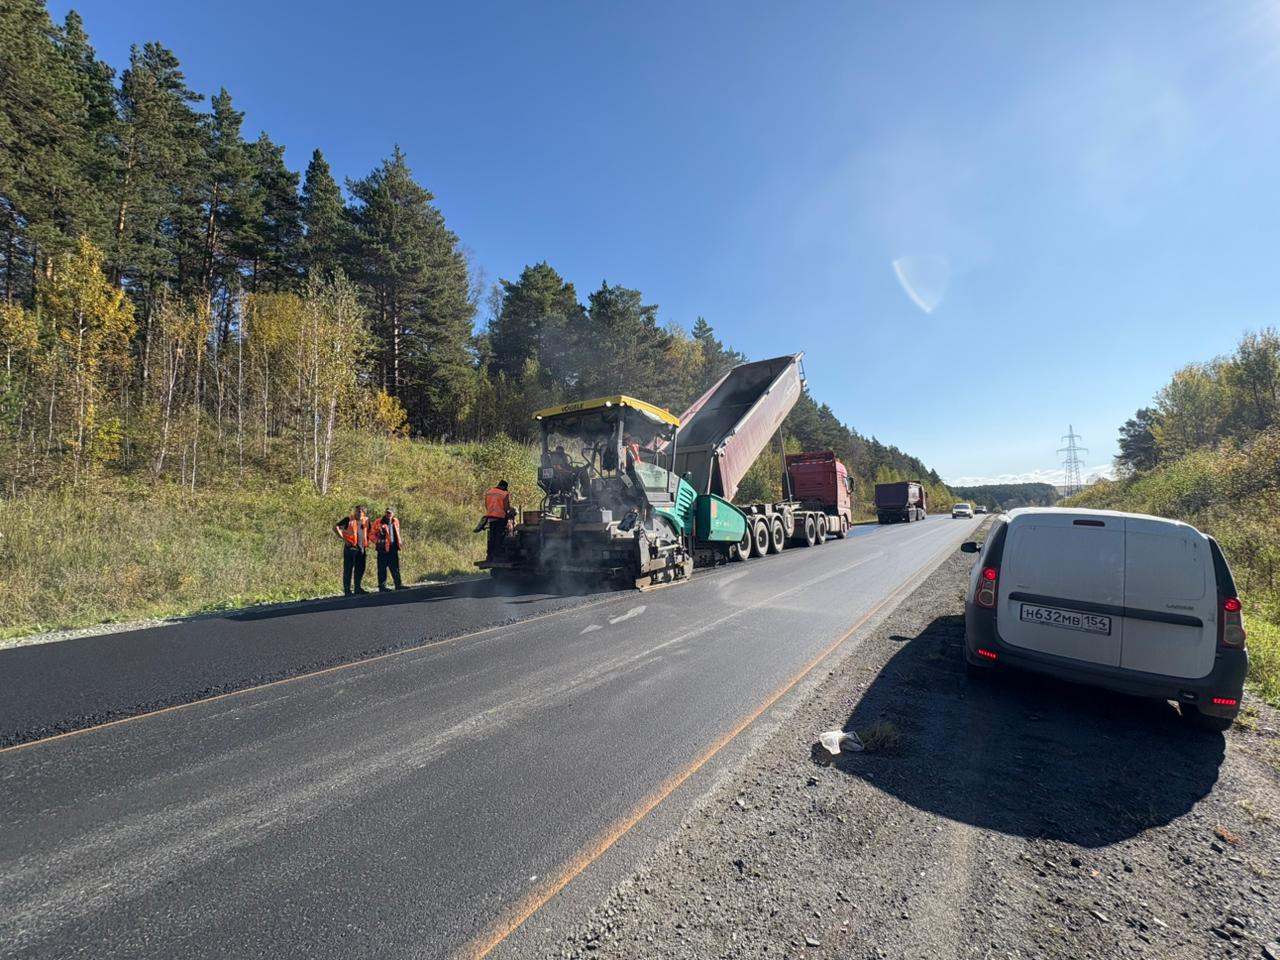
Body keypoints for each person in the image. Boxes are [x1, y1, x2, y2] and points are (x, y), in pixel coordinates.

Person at [334, 505, 370, 595]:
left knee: (360, 568)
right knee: (348, 569)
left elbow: (370, 531)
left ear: (364, 513)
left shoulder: (366, 520)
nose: (358, 513)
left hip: (361, 548)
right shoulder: (348, 519)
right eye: (357, 511)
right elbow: (336, 527)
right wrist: (344, 540)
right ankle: (347, 590)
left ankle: (357, 588)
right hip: (350, 548)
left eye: (360, 511)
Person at [370, 506, 405, 591]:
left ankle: (398, 584)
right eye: (387, 512)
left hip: (393, 547)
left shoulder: (395, 521)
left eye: (390, 513)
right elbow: (371, 534)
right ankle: (382, 587)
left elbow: (397, 532)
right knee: (382, 568)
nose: (388, 514)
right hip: (382, 548)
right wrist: (377, 542)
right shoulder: (378, 522)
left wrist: (399, 542)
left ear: (393, 513)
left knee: (395, 567)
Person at [483, 480, 512, 559]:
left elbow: (486, 505)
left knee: (492, 536)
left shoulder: (489, 492)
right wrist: (509, 512)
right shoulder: (504, 494)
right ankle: (497, 554)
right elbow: (506, 508)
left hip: (491, 517)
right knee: (499, 536)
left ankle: (490, 554)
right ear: (504, 487)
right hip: (500, 517)